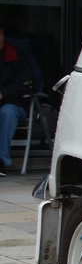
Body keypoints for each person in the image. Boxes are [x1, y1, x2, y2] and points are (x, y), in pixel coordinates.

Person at [0, 22, 31, 176]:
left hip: (13, 104)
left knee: (8, 112)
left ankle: (0, 160)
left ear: (3, 35)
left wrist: (3, 93)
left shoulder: (17, 56)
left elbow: (27, 84)